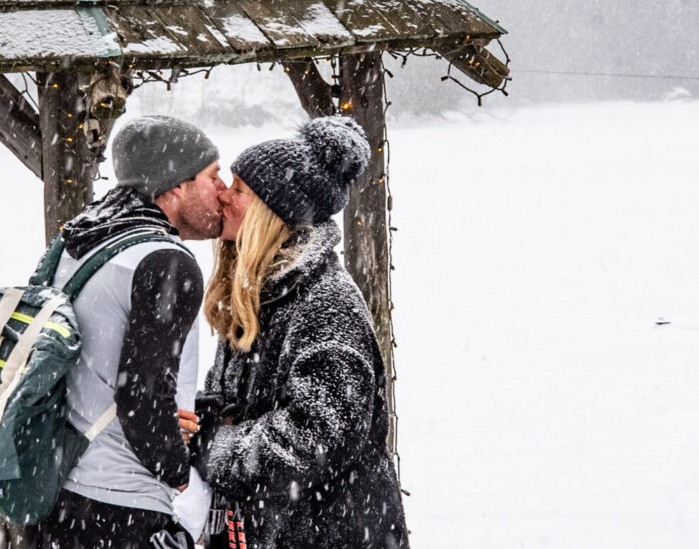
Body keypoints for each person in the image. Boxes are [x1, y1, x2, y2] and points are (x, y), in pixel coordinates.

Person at [191, 116, 410, 549]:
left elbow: (312, 439)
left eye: (239, 191)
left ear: (272, 214)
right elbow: (244, 401)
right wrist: (199, 420)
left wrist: (215, 446)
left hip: (331, 534)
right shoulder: (264, 293)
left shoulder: (325, 305)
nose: (224, 196)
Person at [24, 115, 225, 549]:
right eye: (212, 176)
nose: (223, 190)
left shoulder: (80, 242)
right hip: (120, 507)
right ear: (174, 187)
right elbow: (141, 399)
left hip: (59, 493)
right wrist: (185, 485)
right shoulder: (165, 261)